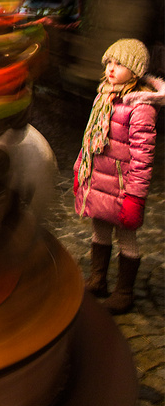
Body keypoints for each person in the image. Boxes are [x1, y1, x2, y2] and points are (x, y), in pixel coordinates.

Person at [74, 39, 162, 314]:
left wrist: (135, 195)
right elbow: (89, 140)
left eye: (120, 64)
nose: (111, 68)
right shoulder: (105, 95)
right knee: (99, 230)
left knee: (127, 238)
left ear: (135, 71)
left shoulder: (140, 106)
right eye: (109, 62)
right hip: (100, 181)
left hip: (123, 187)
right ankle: (98, 279)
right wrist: (81, 170)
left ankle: (124, 292)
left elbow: (142, 155)